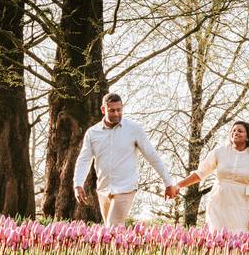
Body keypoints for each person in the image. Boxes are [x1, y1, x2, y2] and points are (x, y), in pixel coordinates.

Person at [73, 93, 179, 226]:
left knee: (113, 227)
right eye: (112, 110)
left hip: (126, 187)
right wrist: (78, 184)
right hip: (104, 189)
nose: (116, 114)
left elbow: (152, 156)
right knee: (109, 233)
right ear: (103, 109)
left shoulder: (134, 129)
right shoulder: (92, 133)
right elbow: (84, 160)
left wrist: (168, 183)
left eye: (119, 110)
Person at [175, 121, 249, 232]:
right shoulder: (219, 152)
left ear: (248, 137)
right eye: (233, 130)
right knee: (217, 236)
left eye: (240, 131)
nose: (236, 133)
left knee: (241, 238)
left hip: (242, 204)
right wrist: (178, 186)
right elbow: (200, 173)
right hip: (218, 203)